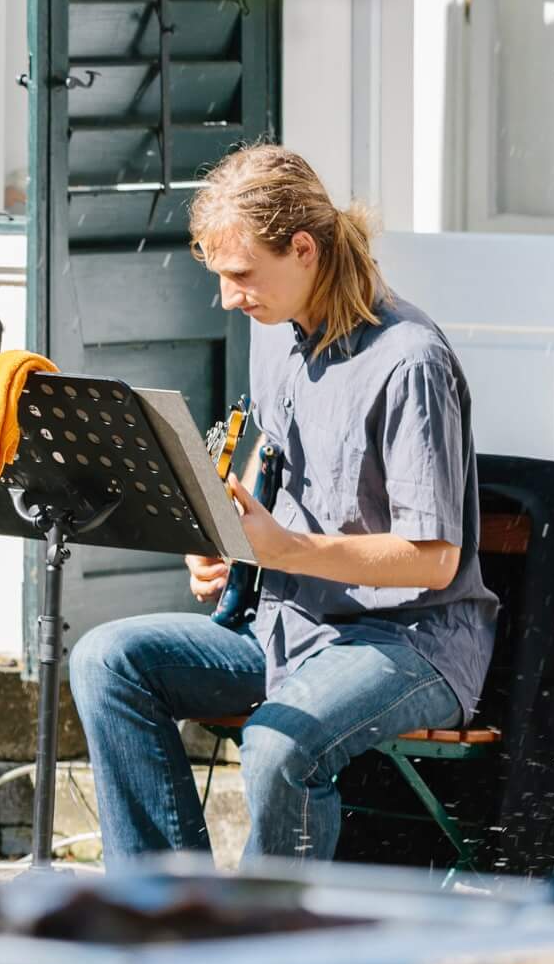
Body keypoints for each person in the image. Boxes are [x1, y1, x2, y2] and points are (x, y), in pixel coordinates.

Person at [70, 145, 497, 864]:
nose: (230, 299)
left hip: (409, 643)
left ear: (304, 249)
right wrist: (221, 541)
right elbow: (273, 489)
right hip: (286, 625)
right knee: (106, 659)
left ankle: (267, 949)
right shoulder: (277, 334)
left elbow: (434, 559)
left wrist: (283, 550)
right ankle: (166, 915)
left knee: (276, 742)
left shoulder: (410, 360)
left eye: (241, 275)